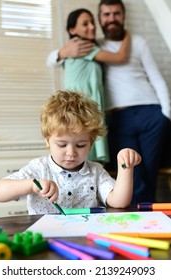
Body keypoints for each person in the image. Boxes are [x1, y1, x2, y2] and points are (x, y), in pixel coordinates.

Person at [47, 0, 171, 205]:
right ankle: (133, 213)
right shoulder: (92, 45)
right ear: (101, 19)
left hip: (151, 112)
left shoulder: (138, 42)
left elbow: (156, 77)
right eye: (106, 15)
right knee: (130, 168)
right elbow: (53, 60)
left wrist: (166, 112)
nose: (111, 18)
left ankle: (149, 217)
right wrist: (61, 52)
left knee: (150, 168)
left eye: (116, 13)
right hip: (118, 117)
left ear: (123, 16)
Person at [0, 90, 141, 215]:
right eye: (62, 145)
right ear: (47, 140)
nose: (71, 153)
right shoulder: (39, 168)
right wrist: (31, 185)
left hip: (85, 236)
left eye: (81, 145)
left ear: (91, 143)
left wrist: (125, 167)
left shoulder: (95, 171)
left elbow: (120, 202)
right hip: (47, 237)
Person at [47, 8, 130, 163]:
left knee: (87, 157)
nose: (92, 27)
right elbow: (121, 57)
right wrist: (128, 35)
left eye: (92, 22)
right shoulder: (82, 46)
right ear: (72, 30)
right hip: (81, 110)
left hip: (88, 108)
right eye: (85, 23)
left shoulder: (83, 47)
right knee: (83, 153)